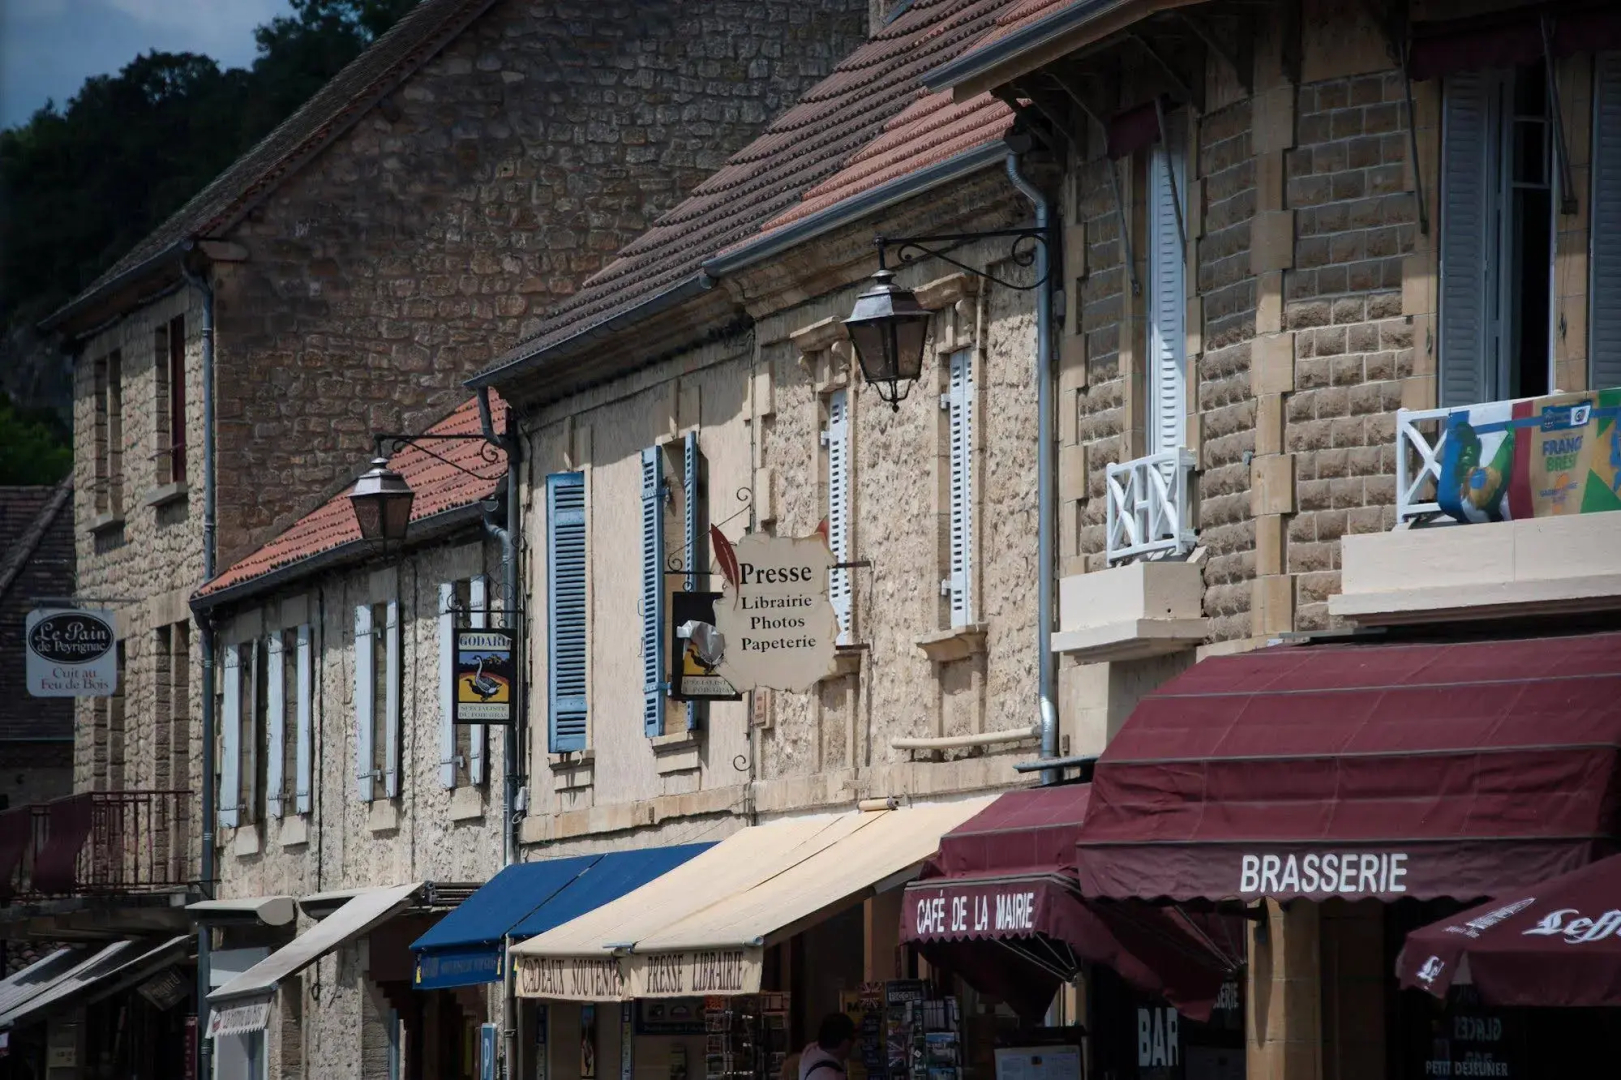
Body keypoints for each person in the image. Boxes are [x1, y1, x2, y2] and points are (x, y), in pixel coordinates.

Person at [798, 1013, 857, 1080]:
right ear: (845, 1043)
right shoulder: (833, 1077)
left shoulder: (809, 1050)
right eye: (853, 1039)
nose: (853, 1044)